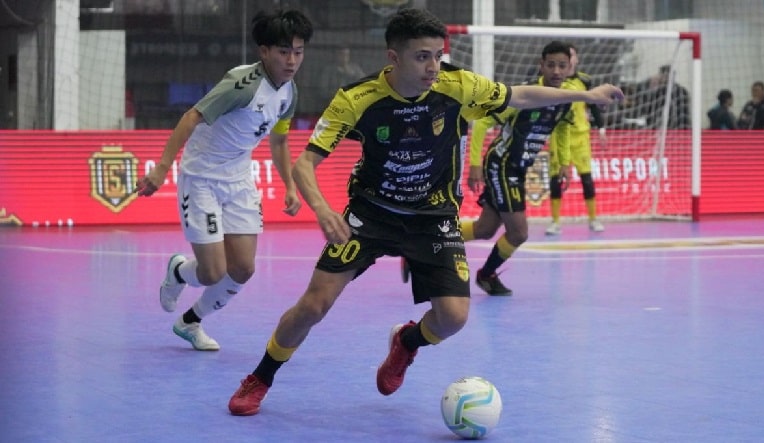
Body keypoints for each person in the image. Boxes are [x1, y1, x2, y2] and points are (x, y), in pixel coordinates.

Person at [226, 7, 623, 416]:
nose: (433, 66)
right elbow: (304, 164)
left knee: (452, 318)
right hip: (371, 215)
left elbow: (519, 95)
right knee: (312, 306)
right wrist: (324, 211)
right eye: (422, 56)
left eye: (438, 54)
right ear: (393, 58)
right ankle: (261, 376)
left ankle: (407, 343)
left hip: (434, 218)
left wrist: (586, 95)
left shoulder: (458, 85)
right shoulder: (357, 99)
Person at [134, 10, 313, 351]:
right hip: (201, 179)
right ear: (264, 52)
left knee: (243, 268)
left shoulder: (290, 93)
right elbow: (191, 117)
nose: (292, 61)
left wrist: (289, 185)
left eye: (298, 52)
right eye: (283, 51)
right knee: (213, 272)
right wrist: (161, 168)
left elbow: (278, 140)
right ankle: (177, 273)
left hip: (239, 179)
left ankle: (190, 322)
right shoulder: (241, 84)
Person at [459, 41, 575, 296]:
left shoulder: (567, 100)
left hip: (518, 168)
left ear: (569, 69)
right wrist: (474, 165)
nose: (556, 71)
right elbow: (481, 124)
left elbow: (564, 129)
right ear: (541, 66)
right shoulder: (524, 96)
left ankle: (428, 240)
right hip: (501, 166)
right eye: (551, 65)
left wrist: (564, 163)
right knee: (519, 232)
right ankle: (486, 276)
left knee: (485, 229)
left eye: (562, 66)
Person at [545, 43, 606, 235]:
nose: (569, 61)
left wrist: (601, 127)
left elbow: (594, 104)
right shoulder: (552, 82)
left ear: (575, 60)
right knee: (556, 180)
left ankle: (593, 219)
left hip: (581, 138)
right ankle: (555, 222)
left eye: (572, 57)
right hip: (558, 137)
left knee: (587, 179)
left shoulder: (585, 81)